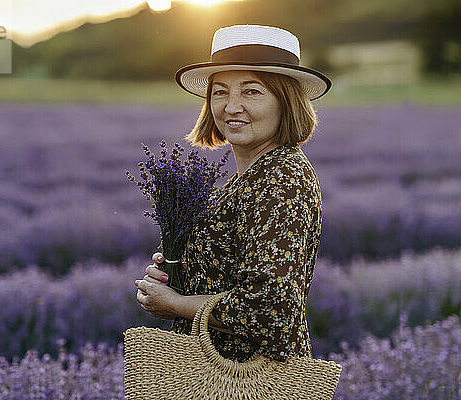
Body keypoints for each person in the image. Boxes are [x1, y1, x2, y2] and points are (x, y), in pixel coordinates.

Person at [134, 24, 331, 363]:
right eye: (221, 92)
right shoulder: (249, 177)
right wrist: (177, 273)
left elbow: (268, 311)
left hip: (253, 383)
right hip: (216, 376)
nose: (231, 107)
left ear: (286, 101)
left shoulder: (282, 177)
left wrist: (175, 305)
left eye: (252, 92)